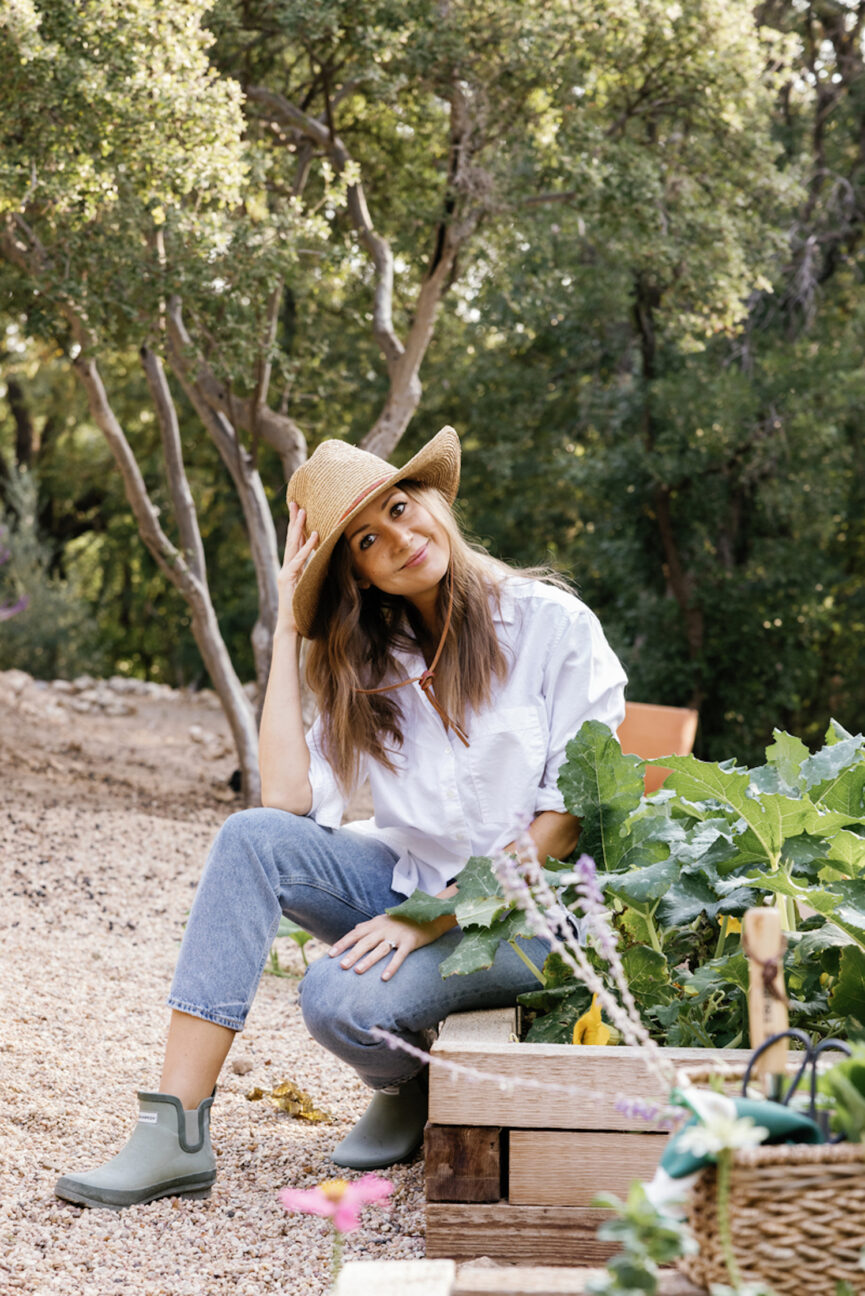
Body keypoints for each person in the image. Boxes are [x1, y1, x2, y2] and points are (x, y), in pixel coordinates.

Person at [55, 425, 627, 1210]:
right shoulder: (370, 661)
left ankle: (402, 1079)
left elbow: (561, 823)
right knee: (250, 840)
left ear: (430, 498)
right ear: (354, 569)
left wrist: (428, 919)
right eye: (365, 537)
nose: (398, 536)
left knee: (337, 1001)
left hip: (528, 919)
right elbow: (284, 802)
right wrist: (292, 627)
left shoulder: (550, 625)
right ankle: (176, 1132)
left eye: (399, 506)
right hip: (416, 891)